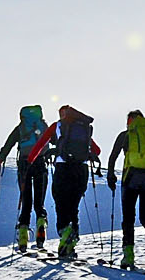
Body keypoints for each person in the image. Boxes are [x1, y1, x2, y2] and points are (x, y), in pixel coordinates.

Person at [27, 105, 99, 259]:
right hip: (82, 170)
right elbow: (97, 150)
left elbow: (41, 144)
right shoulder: (82, 127)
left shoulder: (58, 126)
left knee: (60, 203)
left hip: (63, 167)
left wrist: (30, 160)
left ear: (62, 114)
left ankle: (65, 233)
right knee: (74, 206)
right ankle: (72, 242)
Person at [106, 110, 145, 268]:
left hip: (131, 176)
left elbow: (113, 157)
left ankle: (129, 256)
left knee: (128, 218)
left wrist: (111, 176)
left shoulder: (126, 135)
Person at [0, 105, 50, 251]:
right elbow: (56, 140)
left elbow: (9, 144)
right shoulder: (43, 126)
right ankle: (41, 226)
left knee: (26, 202)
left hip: (24, 165)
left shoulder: (20, 128)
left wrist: (1, 156)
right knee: (39, 203)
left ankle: (23, 236)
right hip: (41, 162)